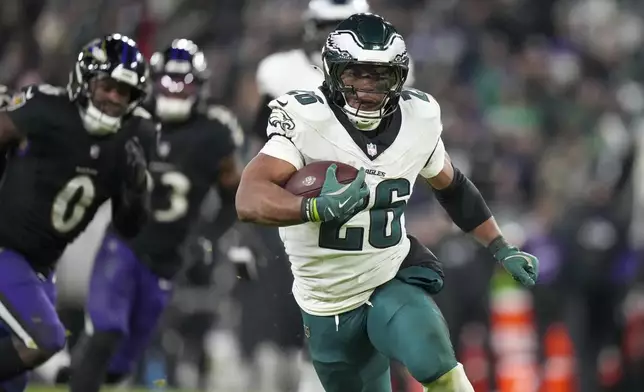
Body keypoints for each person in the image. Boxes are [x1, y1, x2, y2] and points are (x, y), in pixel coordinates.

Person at [236, 13, 539, 392]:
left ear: (398, 78)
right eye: (355, 74)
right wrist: (312, 208)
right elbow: (248, 198)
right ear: (332, 73)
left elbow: (453, 187)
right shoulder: (306, 118)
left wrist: (500, 245)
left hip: (387, 278)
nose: (366, 89)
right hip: (325, 302)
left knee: (440, 368)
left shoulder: (420, 117)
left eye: (379, 77)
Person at [67, 38, 244, 392]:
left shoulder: (216, 132)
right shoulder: (133, 117)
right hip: (123, 243)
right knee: (106, 331)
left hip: (168, 260)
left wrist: (208, 237)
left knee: (123, 363)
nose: (173, 90)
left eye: (183, 83)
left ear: (200, 86)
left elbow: (235, 197)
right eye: (166, 81)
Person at [0, 34, 154, 391]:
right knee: (44, 338)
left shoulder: (134, 135)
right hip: (5, 252)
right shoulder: (45, 108)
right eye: (108, 86)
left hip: (40, 269)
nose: (114, 98)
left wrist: (136, 187)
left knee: (12, 383)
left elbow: (130, 226)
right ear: (85, 81)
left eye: (124, 92)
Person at [253, 0, 415, 143]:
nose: (338, 34)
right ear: (313, 27)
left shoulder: (390, 65)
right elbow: (263, 137)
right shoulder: (282, 68)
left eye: (349, 26)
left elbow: (404, 129)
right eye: (329, 25)